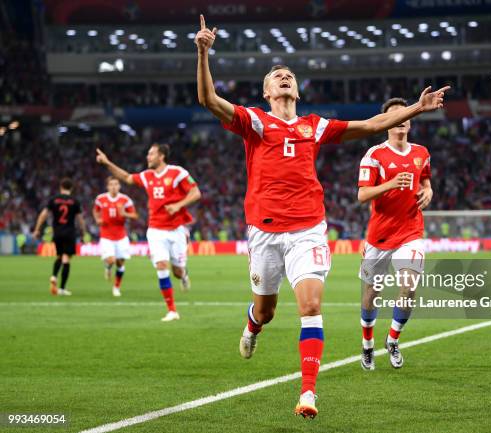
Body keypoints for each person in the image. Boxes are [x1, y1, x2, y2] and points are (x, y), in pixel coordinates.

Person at [195, 14, 449, 418]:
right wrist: (204, 52)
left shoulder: (315, 127)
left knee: (311, 307)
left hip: (308, 230)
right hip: (264, 231)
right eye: (277, 75)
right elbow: (208, 101)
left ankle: (308, 393)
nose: (285, 77)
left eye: (289, 74)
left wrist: (417, 109)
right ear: (265, 90)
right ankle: (252, 326)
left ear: (297, 88)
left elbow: (372, 124)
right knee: (266, 310)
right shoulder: (255, 123)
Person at [356, 98, 433, 371]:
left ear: (410, 121)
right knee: (370, 294)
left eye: (405, 115)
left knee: (409, 286)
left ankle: (393, 339)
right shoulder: (374, 156)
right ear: (387, 122)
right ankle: (367, 345)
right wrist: (389, 183)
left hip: (411, 231)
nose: (401, 120)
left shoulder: (422, 152)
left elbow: (425, 178)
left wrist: (429, 189)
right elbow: (362, 195)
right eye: (395, 116)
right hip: (379, 235)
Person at [95, 144, 201, 321]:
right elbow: (126, 177)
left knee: (177, 271)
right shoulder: (146, 175)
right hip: (156, 230)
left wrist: (178, 205)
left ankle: (184, 274)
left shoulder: (178, 173)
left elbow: (196, 193)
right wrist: (107, 163)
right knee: (161, 266)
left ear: (162, 156)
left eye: (151, 154)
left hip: (177, 229)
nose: (148, 157)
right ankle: (172, 310)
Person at [33, 177, 86, 296]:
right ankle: (62, 288)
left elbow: (44, 214)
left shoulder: (54, 200)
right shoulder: (74, 201)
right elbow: (80, 219)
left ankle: (53, 276)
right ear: (71, 188)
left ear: (60, 187)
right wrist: (83, 232)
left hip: (57, 232)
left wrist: (37, 229)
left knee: (59, 256)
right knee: (66, 258)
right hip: (69, 232)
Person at [93, 176, 139, 297]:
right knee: (111, 260)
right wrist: (98, 219)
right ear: (107, 186)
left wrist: (124, 213)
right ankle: (108, 267)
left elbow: (135, 215)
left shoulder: (125, 200)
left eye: (116, 184)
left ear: (119, 186)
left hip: (121, 235)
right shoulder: (100, 199)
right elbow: (96, 210)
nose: (114, 187)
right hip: (106, 234)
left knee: (120, 263)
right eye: (111, 184)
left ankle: (116, 287)